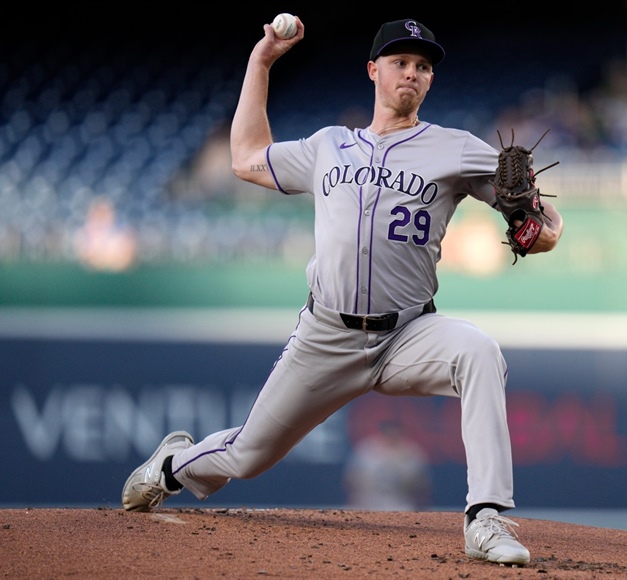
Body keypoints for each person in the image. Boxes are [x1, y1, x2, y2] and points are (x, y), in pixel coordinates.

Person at [121, 16, 564, 566]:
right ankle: (170, 467)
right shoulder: (329, 146)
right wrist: (261, 62)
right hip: (326, 336)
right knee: (248, 455)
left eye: (423, 67)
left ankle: (486, 518)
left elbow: (543, 223)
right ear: (373, 70)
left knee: (477, 351)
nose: (412, 73)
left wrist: (542, 228)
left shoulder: (456, 149)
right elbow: (244, 158)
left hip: (408, 333)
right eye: (401, 62)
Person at [343, 419, 431, 511]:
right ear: (382, 432)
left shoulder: (412, 451)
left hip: (402, 505)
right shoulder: (366, 449)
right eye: (389, 432)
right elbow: (350, 479)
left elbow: (423, 485)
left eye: (395, 432)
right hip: (367, 504)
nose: (392, 435)